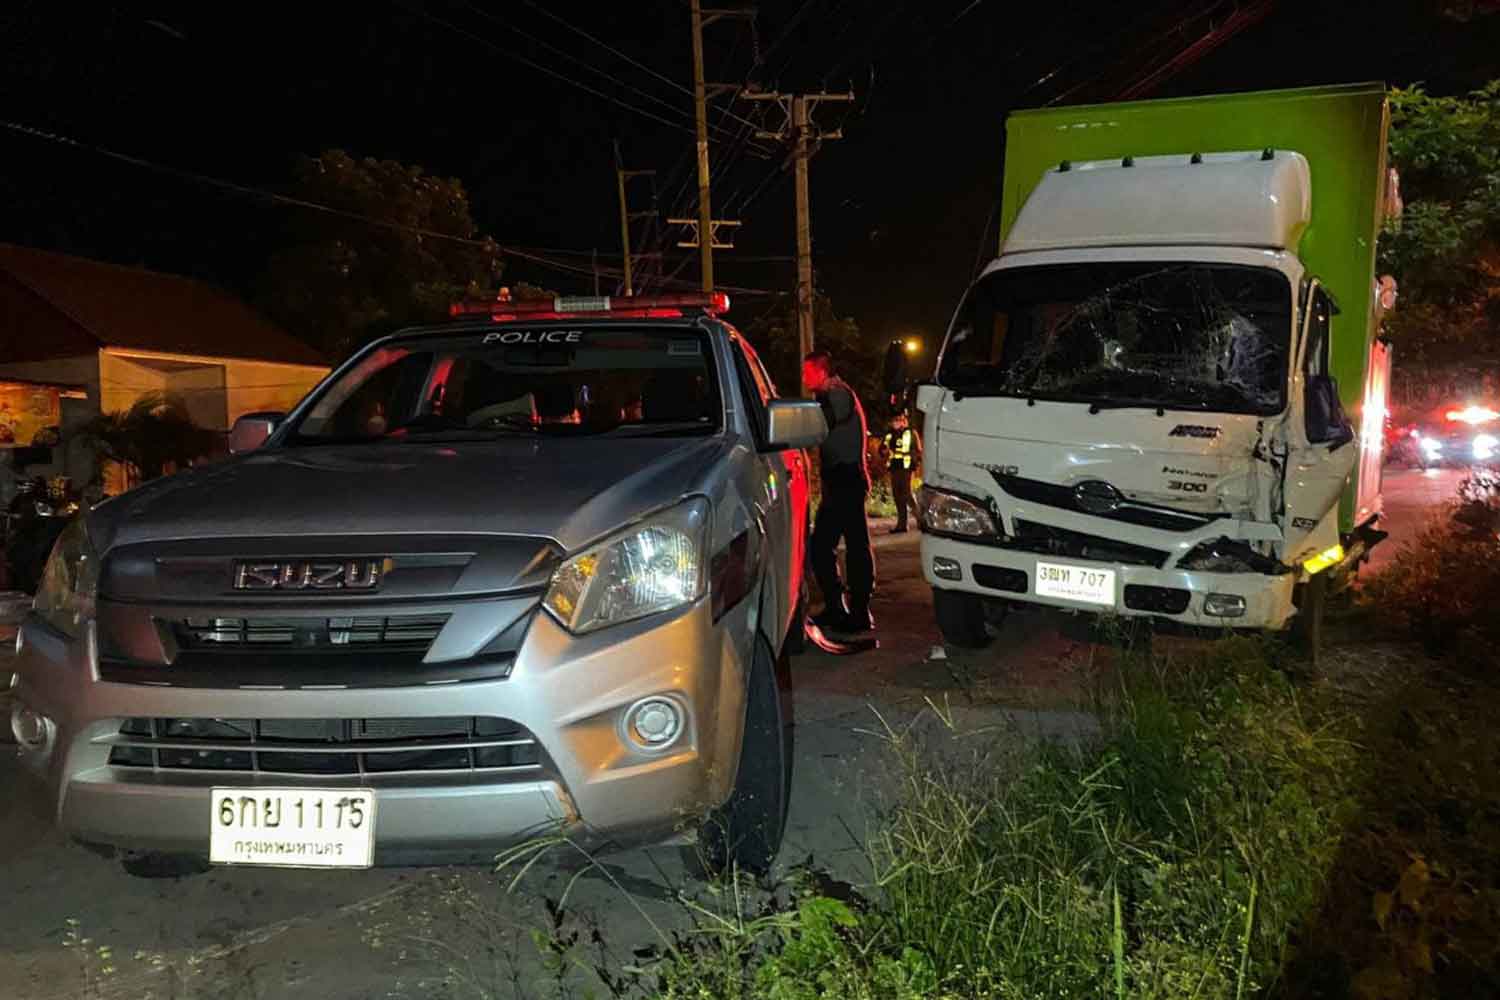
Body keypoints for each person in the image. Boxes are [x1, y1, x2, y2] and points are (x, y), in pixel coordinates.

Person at [803, 350, 876, 634]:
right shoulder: (832, 395)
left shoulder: (836, 394)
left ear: (821, 371)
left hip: (846, 478)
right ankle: (841, 609)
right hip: (841, 479)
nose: (804, 377)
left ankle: (857, 612)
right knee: (826, 545)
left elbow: (819, 427)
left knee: (846, 546)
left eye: (807, 371)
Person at [880, 411, 922, 533]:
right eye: (895, 419)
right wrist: (884, 451)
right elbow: (882, 449)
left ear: (904, 420)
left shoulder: (911, 432)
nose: (896, 422)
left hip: (907, 468)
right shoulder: (889, 434)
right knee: (897, 495)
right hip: (894, 468)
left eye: (899, 419)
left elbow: (918, 450)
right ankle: (902, 524)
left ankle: (921, 520)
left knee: (907, 494)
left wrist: (915, 463)